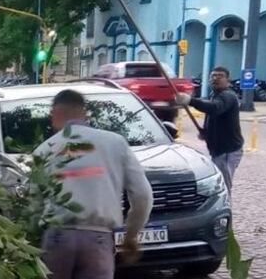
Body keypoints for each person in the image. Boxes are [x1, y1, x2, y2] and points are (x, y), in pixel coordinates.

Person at [34, 89, 153, 278]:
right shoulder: (115, 143)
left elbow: (32, 201)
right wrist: (131, 234)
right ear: (84, 114)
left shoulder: (44, 150)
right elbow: (143, 196)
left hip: (57, 239)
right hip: (97, 241)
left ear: (54, 114)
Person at [176, 66, 244, 193]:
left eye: (220, 76)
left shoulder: (228, 96)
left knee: (222, 186)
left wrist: (191, 101)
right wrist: (206, 132)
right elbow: (213, 116)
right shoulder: (215, 95)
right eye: (213, 76)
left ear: (228, 80)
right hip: (218, 150)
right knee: (220, 183)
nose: (215, 78)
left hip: (228, 151)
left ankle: (225, 210)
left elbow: (215, 108)